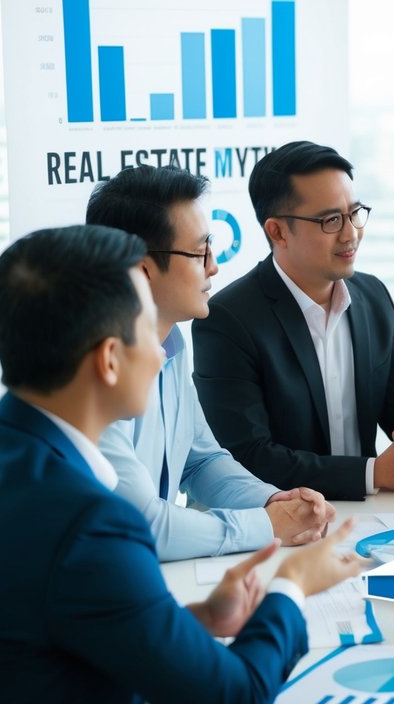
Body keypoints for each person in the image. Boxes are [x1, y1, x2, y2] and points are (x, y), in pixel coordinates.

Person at [0, 225, 368, 704]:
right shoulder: (91, 521)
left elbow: (49, 625)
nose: (162, 352)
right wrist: (292, 585)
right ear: (109, 359)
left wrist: (194, 623)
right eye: (146, 331)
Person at [86, 164, 333, 562]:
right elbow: (144, 525)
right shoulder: (94, 371)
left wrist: (276, 501)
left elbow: (201, 462)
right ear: (142, 270)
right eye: (199, 252)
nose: (214, 266)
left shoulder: (171, 344)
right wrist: (267, 526)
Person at [193, 141, 394, 502]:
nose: (350, 233)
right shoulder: (228, 319)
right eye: (331, 220)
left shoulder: (373, 296)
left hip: (373, 520)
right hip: (281, 530)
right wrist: (372, 473)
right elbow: (247, 457)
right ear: (278, 232)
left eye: (354, 213)